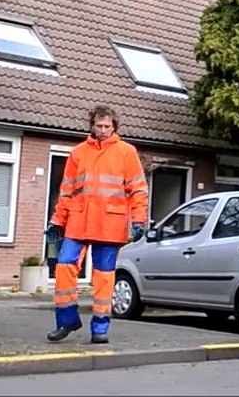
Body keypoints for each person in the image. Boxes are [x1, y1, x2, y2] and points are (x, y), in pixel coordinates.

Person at [44, 105, 149, 344]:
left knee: (103, 278)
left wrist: (139, 220)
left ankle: (100, 329)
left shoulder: (126, 152)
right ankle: (66, 320)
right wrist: (57, 220)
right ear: (91, 125)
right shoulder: (78, 153)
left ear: (114, 127)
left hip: (109, 224)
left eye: (107, 126)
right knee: (63, 267)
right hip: (79, 221)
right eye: (99, 126)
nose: (102, 130)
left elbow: (139, 190)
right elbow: (67, 191)